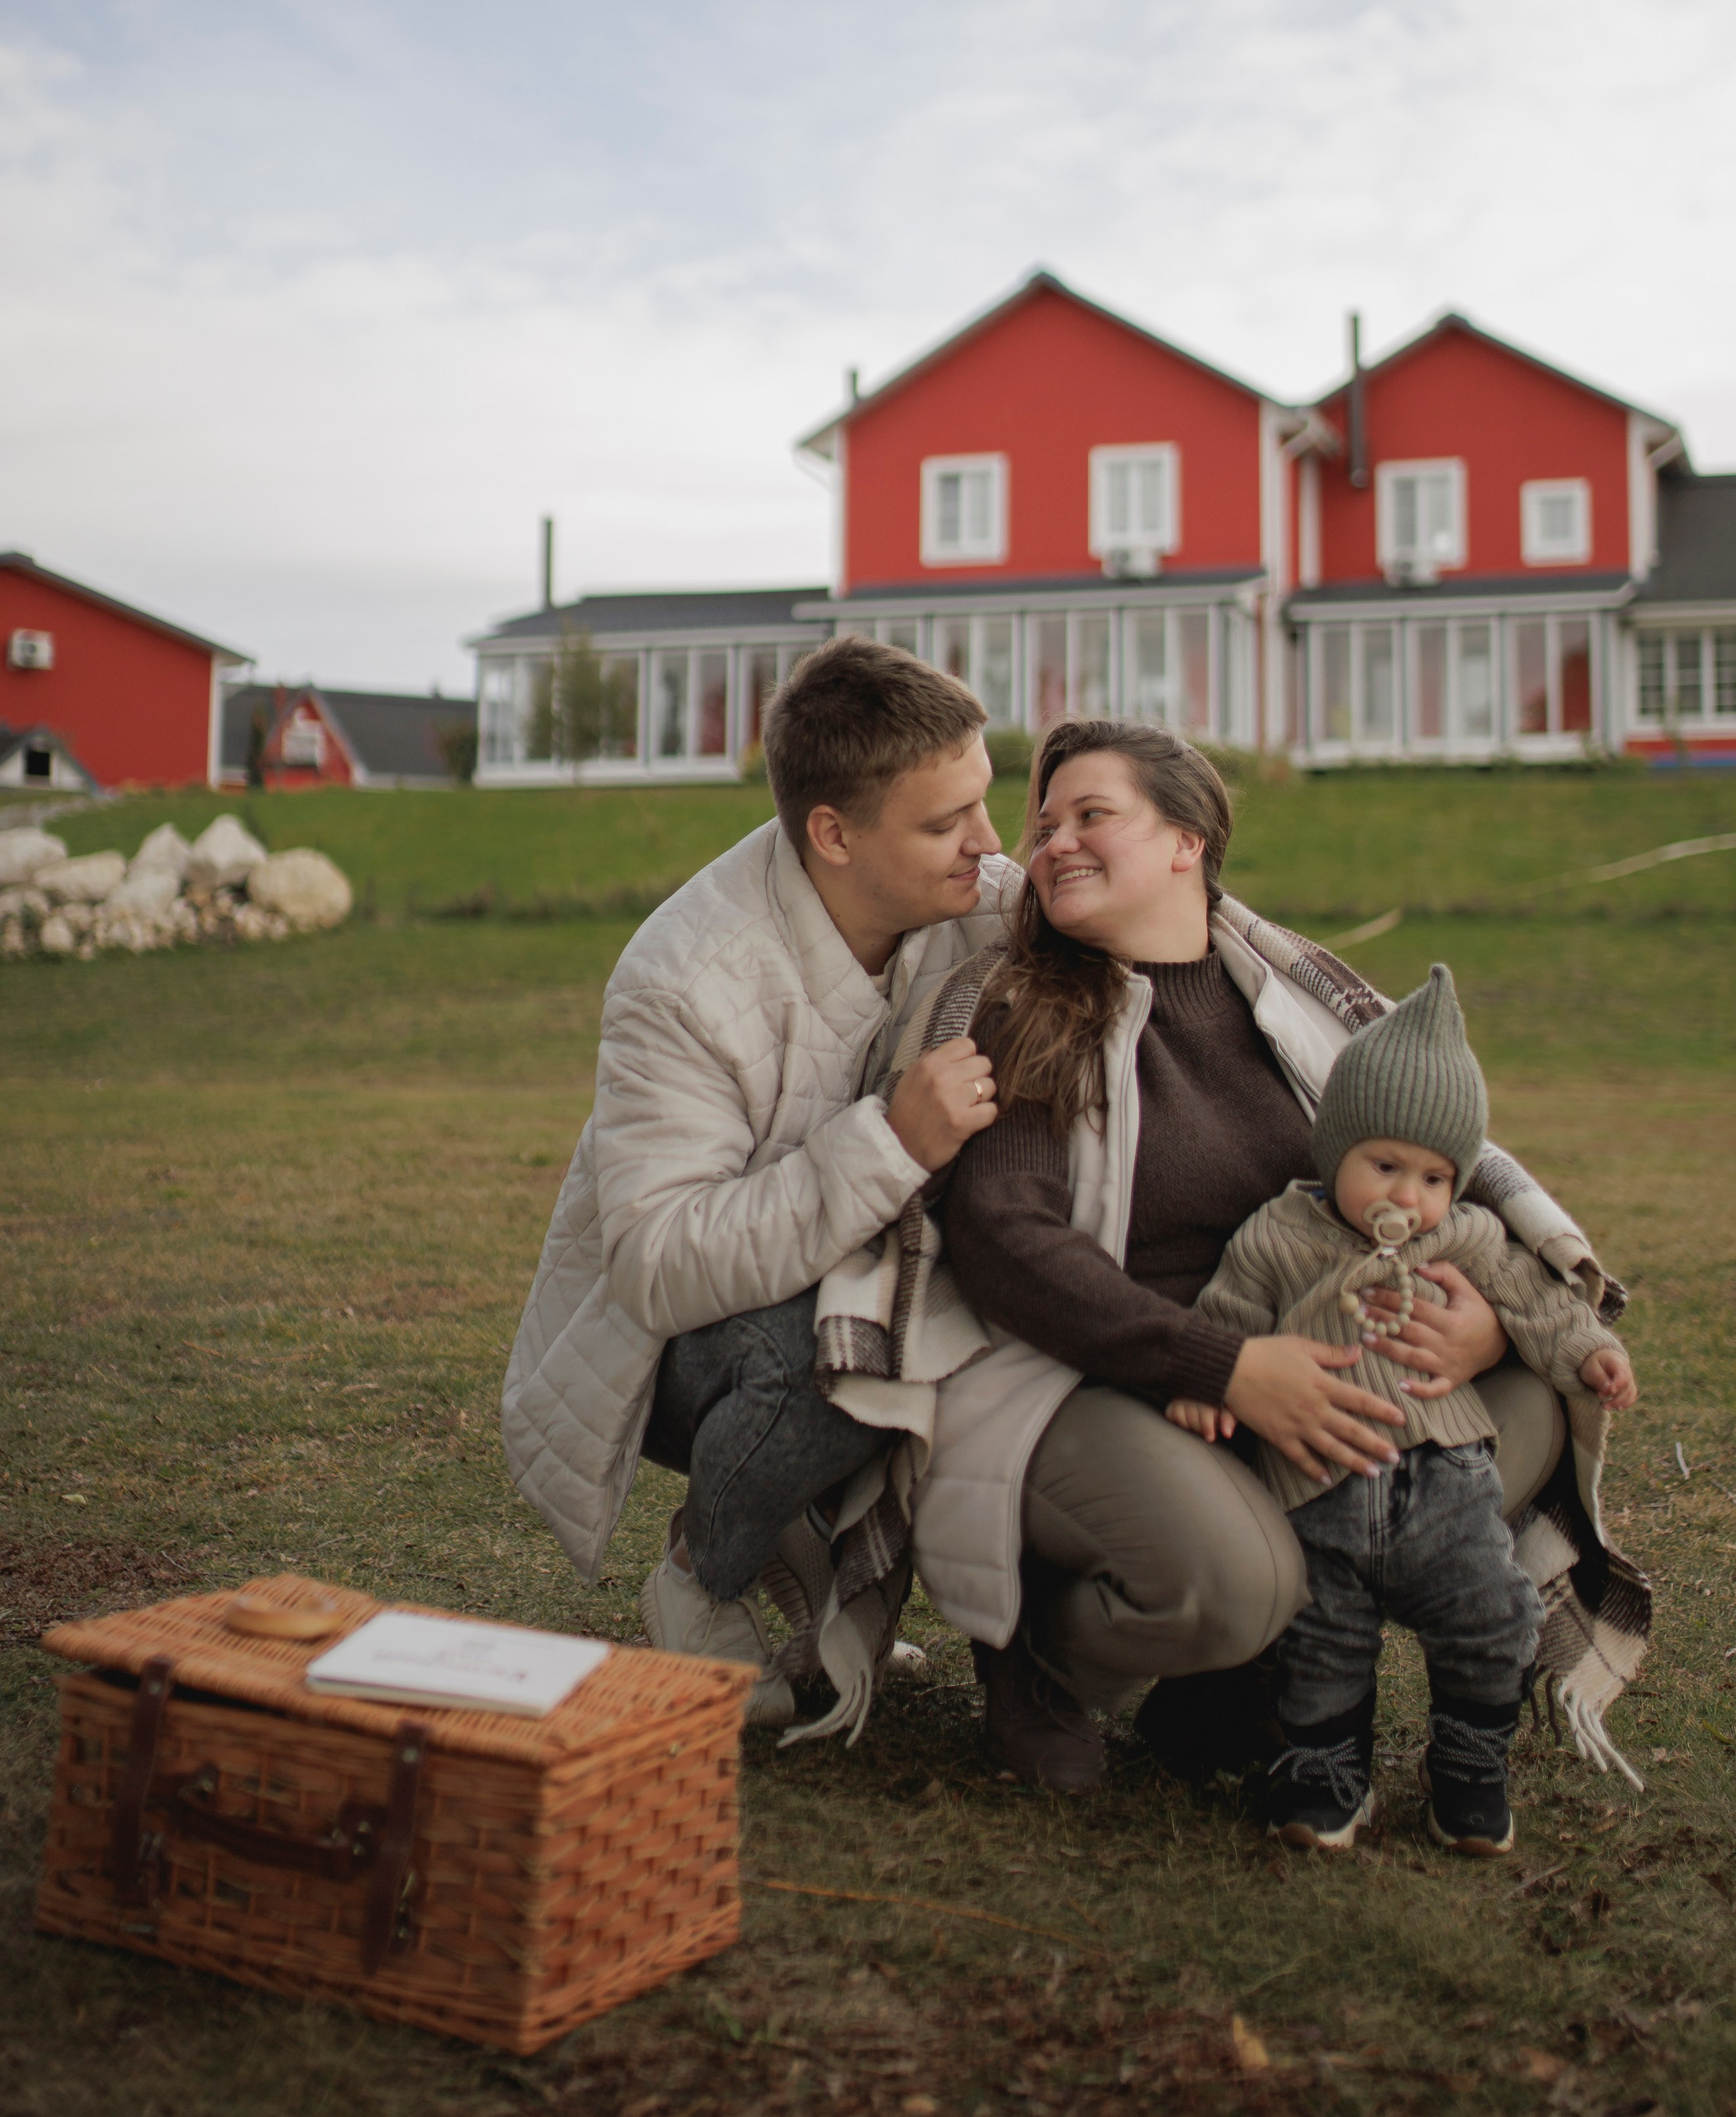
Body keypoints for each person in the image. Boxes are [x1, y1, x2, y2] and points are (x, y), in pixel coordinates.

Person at [929, 719, 1608, 1791]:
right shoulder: (1031, 1011)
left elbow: (1435, 1172)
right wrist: (1222, 1365)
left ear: (1189, 840)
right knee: (1242, 1583)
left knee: (1533, 1396)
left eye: (1091, 815)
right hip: (1104, 1374)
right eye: (1044, 824)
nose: (1053, 841)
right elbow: (1005, 1247)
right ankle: (1049, 1657)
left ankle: (1234, 1685)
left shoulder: (1299, 1006)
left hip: (1301, 1363)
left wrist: (1480, 1329)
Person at [503, 637, 1012, 1726]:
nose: (990, 844)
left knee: (927, 1304)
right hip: (675, 1350)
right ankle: (703, 1571)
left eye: (983, 801)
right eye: (945, 824)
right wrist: (892, 1144)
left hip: (834, 1278)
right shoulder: (683, 977)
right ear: (833, 834)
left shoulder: (977, 900)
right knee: (829, 1349)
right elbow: (658, 1267)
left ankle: (833, 1563)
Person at [1184, 962, 1638, 1856]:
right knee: (1321, 1634)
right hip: (1316, 1480)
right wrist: (1207, 1382)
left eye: (1434, 1177)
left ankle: (1469, 1759)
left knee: (1490, 1613)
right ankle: (1327, 1769)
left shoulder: (1464, 1235)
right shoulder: (1278, 1234)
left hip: (1447, 1478)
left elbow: (1534, 1301)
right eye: (1384, 1166)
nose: (1407, 1197)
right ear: (1333, 1149)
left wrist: (1591, 1351)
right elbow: (1226, 1319)